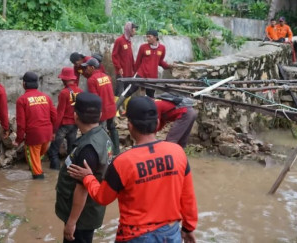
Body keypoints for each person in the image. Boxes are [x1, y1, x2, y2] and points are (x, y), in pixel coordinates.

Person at [67, 96, 198, 243]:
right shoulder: (178, 152)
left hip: (135, 236)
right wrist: (188, 228)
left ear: (130, 126)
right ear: (157, 123)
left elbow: (102, 198)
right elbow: (188, 198)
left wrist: (88, 177)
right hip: (170, 233)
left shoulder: (123, 162)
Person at [55, 93, 113, 243]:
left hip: (81, 216)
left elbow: (82, 190)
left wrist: (71, 223)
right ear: (100, 115)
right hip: (91, 209)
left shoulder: (88, 148)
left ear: (75, 116)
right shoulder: (103, 136)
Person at [15, 71, 57, 179]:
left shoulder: (22, 100)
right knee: (38, 158)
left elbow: (21, 124)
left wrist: (18, 140)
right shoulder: (46, 97)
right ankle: (36, 168)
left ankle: (37, 189)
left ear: (24, 84)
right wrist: (53, 132)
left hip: (34, 137)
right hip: (47, 135)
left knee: (37, 171)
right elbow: (54, 116)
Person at [81, 58, 119, 155]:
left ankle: (105, 154)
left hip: (102, 110)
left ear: (92, 67)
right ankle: (117, 151)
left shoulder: (91, 80)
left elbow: (95, 99)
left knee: (101, 133)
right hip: (111, 107)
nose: (85, 70)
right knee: (112, 128)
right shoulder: (107, 77)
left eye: (87, 67)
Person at [49, 67, 83, 169]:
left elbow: (60, 113)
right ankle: (70, 171)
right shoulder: (80, 91)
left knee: (53, 151)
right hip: (75, 124)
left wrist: (54, 130)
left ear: (65, 79)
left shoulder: (64, 93)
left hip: (64, 125)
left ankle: (54, 172)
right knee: (71, 151)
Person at [133, 29, 173, 98]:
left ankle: (148, 108)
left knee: (150, 96)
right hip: (141, 75)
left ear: (155, 37)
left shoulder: (162, 48)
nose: (147, 39)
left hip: (153, 77)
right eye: (147, 37)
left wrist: (168, 66)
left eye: (149, 37)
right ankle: (118, 106)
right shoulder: (143, 47)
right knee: (129, 91)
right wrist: (134, 73)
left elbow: (160, 61)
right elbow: (138, 62)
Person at [112, 22, 137, 96]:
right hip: (121, 72)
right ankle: (116, 107)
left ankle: (125, 107)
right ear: (130, 30)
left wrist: (134, 69)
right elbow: (114, 56)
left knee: (127, 92)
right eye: (134, 30)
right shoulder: (119, 40)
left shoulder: (129, 41)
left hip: (129, 72)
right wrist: (119, 68)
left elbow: (130, 57)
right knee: (119, 91)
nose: (135, 32)